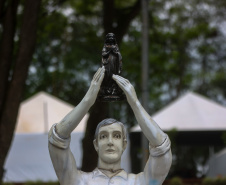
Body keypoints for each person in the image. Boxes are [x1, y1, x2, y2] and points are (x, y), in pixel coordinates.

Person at [48, 67, 172, 185]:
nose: (110, 142)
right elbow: (58, 138)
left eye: (117, 136)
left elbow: (161, 148)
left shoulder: (139, 182)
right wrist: (87, 101)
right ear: (96, 144)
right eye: (103, 136)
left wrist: (135, 103)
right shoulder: (78, 181)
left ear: (124, 144)